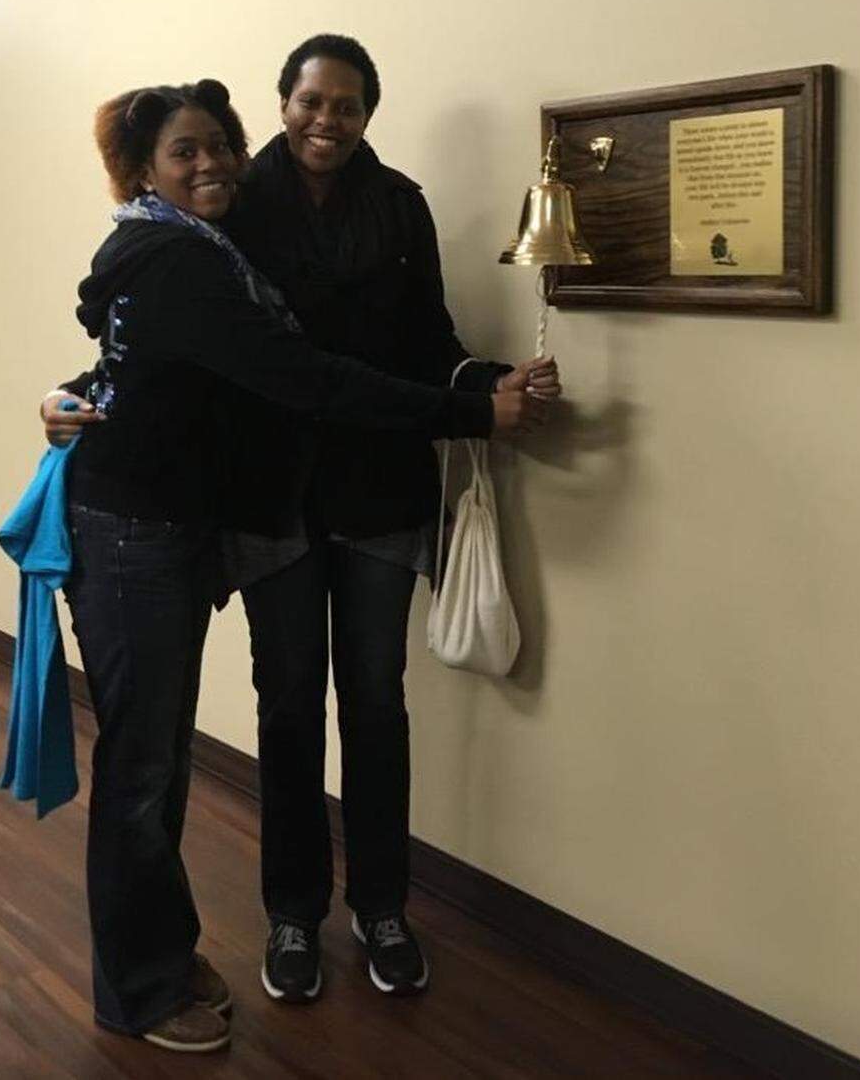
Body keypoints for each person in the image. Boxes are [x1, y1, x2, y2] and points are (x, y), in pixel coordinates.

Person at [56, 77, 545, 1054]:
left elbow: (146, 360)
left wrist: (484, 382)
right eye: (184, 152)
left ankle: (345, 917)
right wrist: (466, 416)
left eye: (214, 146)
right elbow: (285, 372)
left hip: (284, 511)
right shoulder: (197, 243)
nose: (207, 164)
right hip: (192, 522)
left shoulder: (325, 218)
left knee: (342, 715)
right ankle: (183, 968)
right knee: (186, 751)